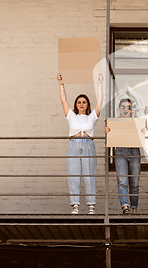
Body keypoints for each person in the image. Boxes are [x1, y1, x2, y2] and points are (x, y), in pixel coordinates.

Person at [57, 73, 103, 215]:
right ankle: (75, 205)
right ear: (76, 105)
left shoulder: (92, 117)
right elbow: (63, 100)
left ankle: (91, 206)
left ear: (87, 104)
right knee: (73, 175)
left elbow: (100, 100)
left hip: (88, 144)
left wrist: (100, 83)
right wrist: (61, 84)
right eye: (79, 102)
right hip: (74, 144)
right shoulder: (71, 116)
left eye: (84, 102)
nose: (81, 104)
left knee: (89, 175)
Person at [105, 98, 141, 214]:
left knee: (134, 182)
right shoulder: (115, 122)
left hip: (134, 151)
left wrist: (144, 129)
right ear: (119, 109)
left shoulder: (136, 120)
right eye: (123, 107)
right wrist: (108, 130)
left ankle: (134, 208)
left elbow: (142, 133)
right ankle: (125, 207)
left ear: (131, 110)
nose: (126, 109)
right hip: (120, 151)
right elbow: (111, 137)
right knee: (122, 181)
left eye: (128, 107)